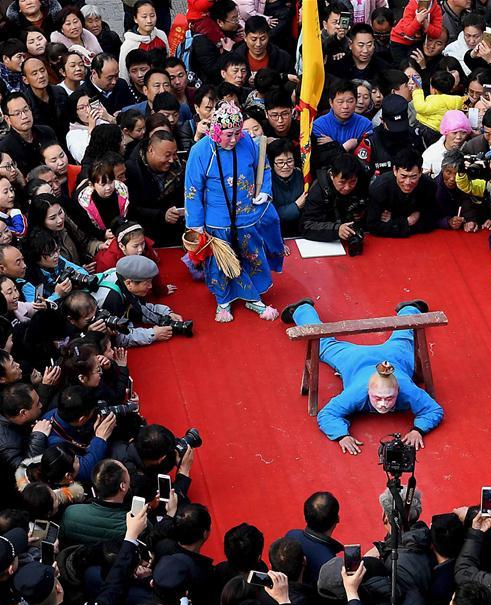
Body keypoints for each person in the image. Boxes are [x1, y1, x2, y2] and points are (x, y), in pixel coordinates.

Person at [280, 299, 443, 454]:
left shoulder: (407, 389)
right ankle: (302, 310)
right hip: (355, 360)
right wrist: (341, 435)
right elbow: (327, 414)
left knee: (405, 337)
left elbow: (434, 410)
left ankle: (410, 308)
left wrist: (418, 430)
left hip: (393, 356)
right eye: (378, 398)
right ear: (368, 390)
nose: (383, 404)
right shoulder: (356, 393)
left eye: (389, 398)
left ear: (398, 390)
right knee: (324, 346)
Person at [184, 100, 283, 324]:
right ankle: (223, 300)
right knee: (220, 261)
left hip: (247, 213)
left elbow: (263, 166)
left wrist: (265, 192)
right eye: (228, 134)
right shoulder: (200, 151)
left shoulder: (247, 141)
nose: (234, 139)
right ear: (216, 131)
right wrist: (196, 225)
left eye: (238, 133)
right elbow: (192, 189)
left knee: (252, 254)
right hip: (216, 219)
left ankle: (253, 296)